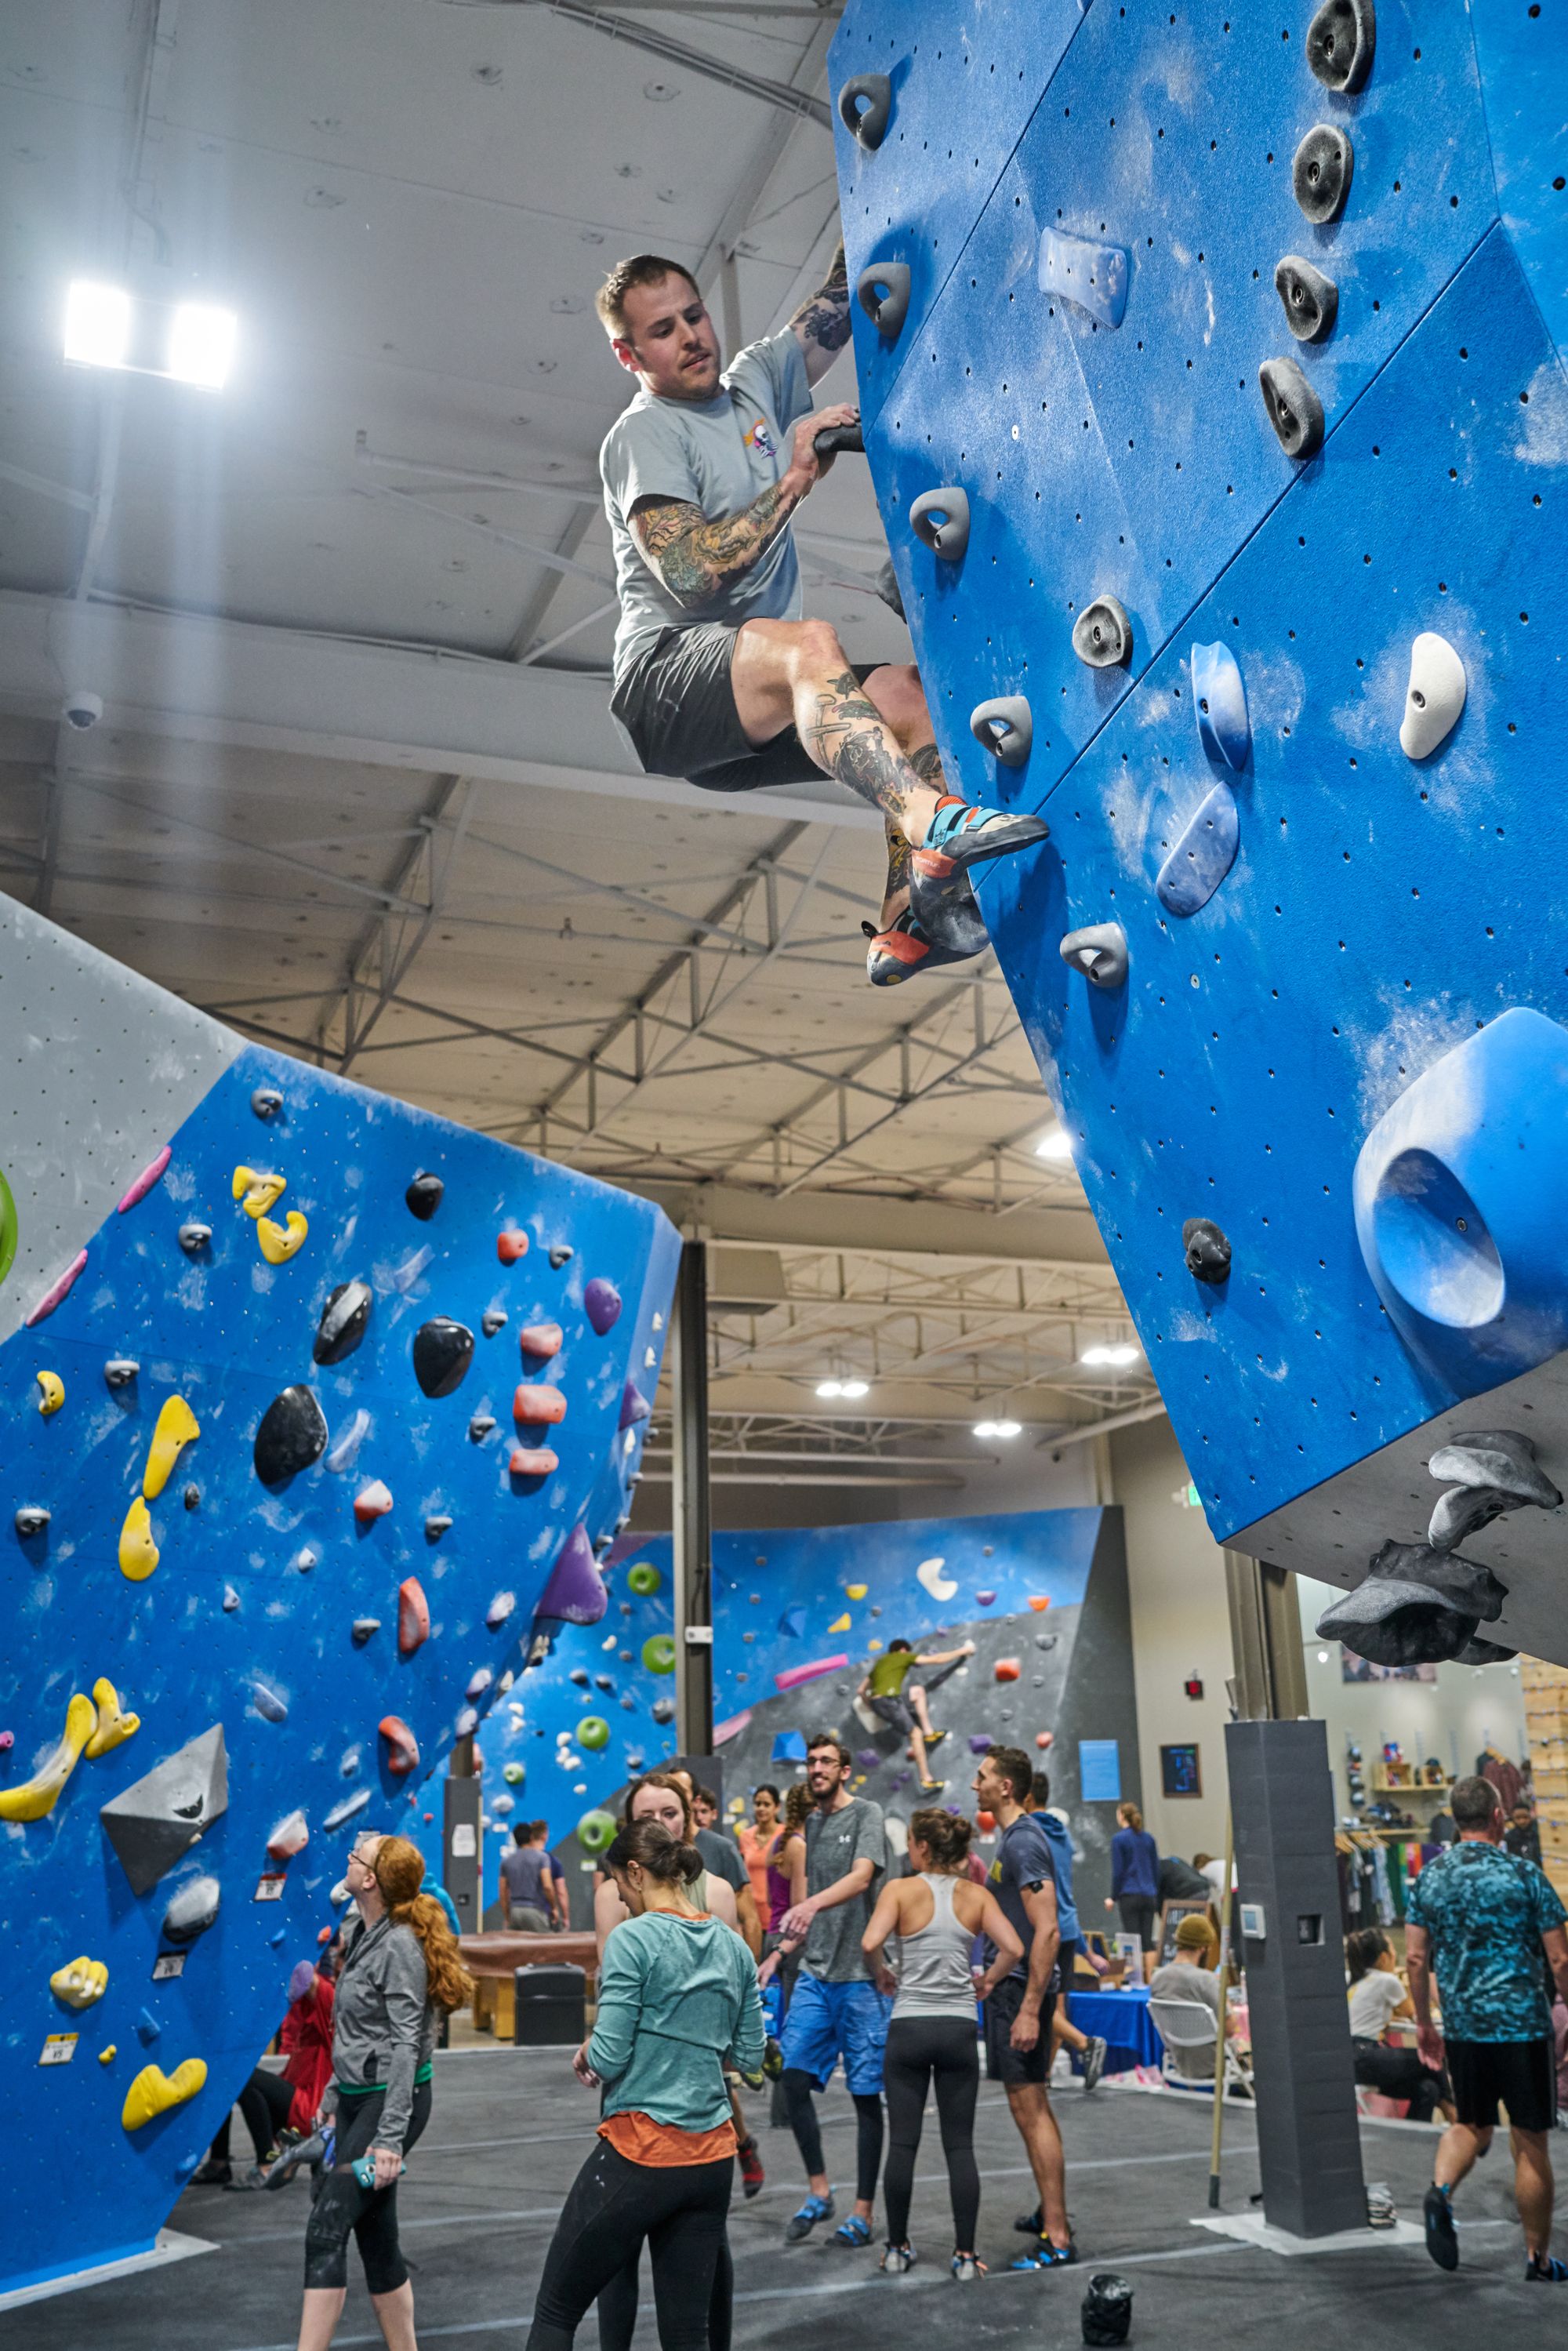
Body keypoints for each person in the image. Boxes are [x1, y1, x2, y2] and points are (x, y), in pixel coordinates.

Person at [593, 251, 1050, 990]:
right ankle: (928, 818)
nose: (690, 336)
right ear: (629, 352)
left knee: (911, 698)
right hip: (663, 688)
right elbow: (691, 571)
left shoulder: (751, 384)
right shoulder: (645, 435)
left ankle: (909, 919)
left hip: (747, 717)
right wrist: (797, 476)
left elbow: (843, 298)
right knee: (810, 646)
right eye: (663, 329)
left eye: (694, 315)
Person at [526, 1819, 765, 2351]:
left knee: (556, 2311)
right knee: (687, 2334)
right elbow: (750, 2061)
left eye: (617, 1885)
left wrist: (589, 2052)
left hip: (643, 2150)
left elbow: (609, 2056)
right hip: (710, 2161)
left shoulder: (633, 1939)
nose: (619, 1899)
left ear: (635, 1873)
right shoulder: (734, 1948)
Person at [296, 1832, 473, 2351]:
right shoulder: (359, 1927)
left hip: (392, 2107)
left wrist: (390, 2141)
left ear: (369, 1880)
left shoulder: (398, 1946)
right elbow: (354, 2033)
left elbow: (405, 2047)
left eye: (356, 1858)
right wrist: (332, 2103)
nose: (347, 1861)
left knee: (326, 2228)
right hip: (356, 2102)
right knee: (376, 2236)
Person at [1406, 1773, 1568, 2281]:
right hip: (1522, 2027)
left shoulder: (1429, 1878)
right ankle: (1537, 2259)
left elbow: (1414, 1957)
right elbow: (1560, 1960)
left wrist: (1422, 2023)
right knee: (1530, 2139)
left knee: (1470, 2126)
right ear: (1498, 1816)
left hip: (1463, 2027)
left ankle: (1441, 2193)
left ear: (1456, 1820)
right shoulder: (1524, 1875)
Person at [861, 1807, 1022, 2279]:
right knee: (960, 2147)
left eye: (910, 1842)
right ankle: (966, 2257)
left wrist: (883, 1976)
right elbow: (1013, 1948)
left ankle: (895, 2249)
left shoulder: (898, 1889)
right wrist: (988, 1981)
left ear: (923, 1848)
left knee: (903, 2145)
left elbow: (871, 1942)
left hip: (909, 2028)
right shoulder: (975, 1895)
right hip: (956, 2029)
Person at [595, 1773, 764, 2208]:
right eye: (646, 1816)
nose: (659, 1823)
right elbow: (610, 1986)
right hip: (635, 2086)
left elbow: (728, 1993)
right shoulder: (613, 1894)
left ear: (688, 1821)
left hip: (700, 2087)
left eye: (669, 1813)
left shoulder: (718, 1891)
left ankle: (743, 2148)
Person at [764, 1731, 891, 2247]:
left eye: (826, 1762)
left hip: (862, 1979)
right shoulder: (810, 1826)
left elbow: (862, 1878)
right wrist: (776, 1954)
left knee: (865, 2098)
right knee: (791, 2082)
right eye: (811, 1762)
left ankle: (862, 2213)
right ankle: (820, 2192)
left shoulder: (868, 1814)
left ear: (843, 1770)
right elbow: (803, 1906)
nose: (815, 1769)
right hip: (816, 1973)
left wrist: (813, 1905)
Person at [971, 1746, 1074, 2269]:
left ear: (1005, 1787)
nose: (975, 1785)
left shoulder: (1025, 1841)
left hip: (1020, 1993)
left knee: (1030, 2108)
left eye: (983, 1777)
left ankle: (1057, 2236)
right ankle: (1050, 2213)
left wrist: (1032, 2007)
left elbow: (1049, 1929)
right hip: (1009, 1986)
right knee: (1027, 2105)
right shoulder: (1013, 1840)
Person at [1343, 1928, 1452, 2124]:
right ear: (1384, 1957)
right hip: (1367, 2056)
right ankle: (1457, 2120)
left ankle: (1415, 2137)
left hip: (1352, 2060)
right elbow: (1413, 2012)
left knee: (1429, 2088)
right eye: (1393, 1950)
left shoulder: (1353, 1978)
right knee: (1432, 2061)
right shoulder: (1387, 1980)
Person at [858, 1637, 975, 1790]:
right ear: (902, 1650)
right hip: (889, 1701)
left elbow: (861, 1690)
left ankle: (929, 1734)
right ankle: (925, 1779)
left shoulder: (880, 1663)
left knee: (918, 1692)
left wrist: (875, 1709)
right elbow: (937, 1659)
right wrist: (965, 1650)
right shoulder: (902, 1656)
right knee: (915, 1734)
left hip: (884, 1701)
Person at [1147, 1914, 1225, 2084]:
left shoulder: (1157, 1978)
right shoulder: (1206, 1980)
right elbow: (1230, 2027)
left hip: (1179, 2060)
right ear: (1204, 1948)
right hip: (1213, 2062)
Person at [1108, 1802, 1160, 1952]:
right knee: (1147, 1942)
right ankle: (1150, 1975)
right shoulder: (1149, 1839)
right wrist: (1154, 1890)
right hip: (1149, 1895)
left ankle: (1136, 1976)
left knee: (1133, 1941)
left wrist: (1113, 1896)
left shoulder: (1118, 1839)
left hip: (1129, 1895)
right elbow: (1155, 1869)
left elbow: (1118, 1872)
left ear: (1122, 1816)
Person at [501, 1822, 560, 1932]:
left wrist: (507, 1917)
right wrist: (554, 1908)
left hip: (515, 1911)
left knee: (517, 1947)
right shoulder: (542, 1858)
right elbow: (547, 1886)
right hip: (535, 1910)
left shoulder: (507, 1862)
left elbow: (503, 1893)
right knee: (547, 1946)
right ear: (531, 1837)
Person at [736, 1785, 780, 1916]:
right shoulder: (745, 1836)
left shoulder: (786, 1835)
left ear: (777, 1807)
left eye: (767, 1804)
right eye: (758, 1804)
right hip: (752, 1911)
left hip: (777, 1910)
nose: (761, 1808)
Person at [1506, 1803, 1544, 1868]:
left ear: (1530, 1816)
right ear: (1513, 1818)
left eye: (1525, 1817)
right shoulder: (1509, 1837)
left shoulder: (1539, 1833)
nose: (1522, 1821)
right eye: (1518, 1818)